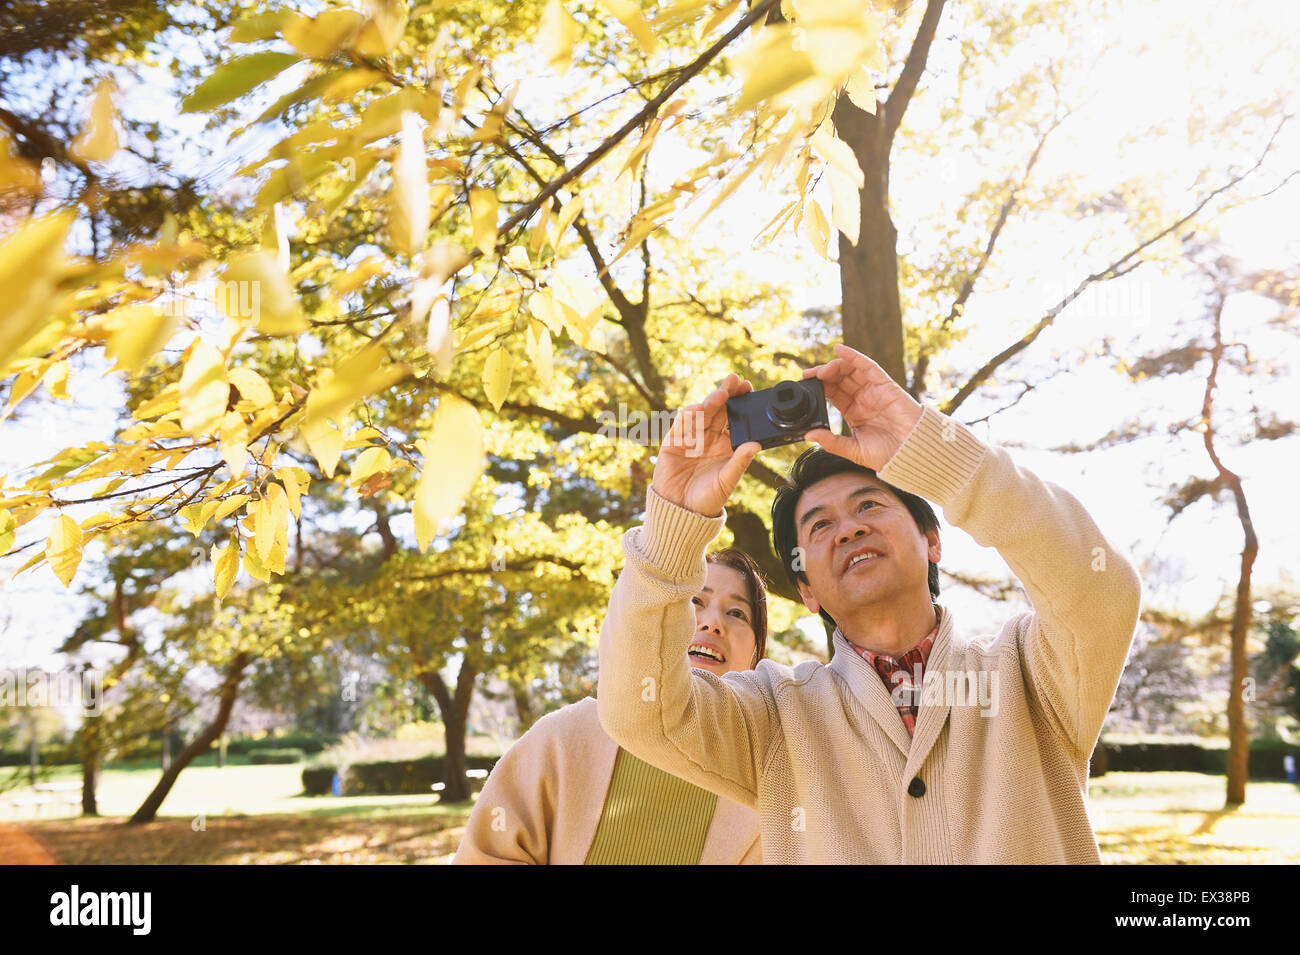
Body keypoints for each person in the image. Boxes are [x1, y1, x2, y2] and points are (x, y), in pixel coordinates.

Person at [598, 343, 1143, 864]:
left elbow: (1099, 587)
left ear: (932, 540)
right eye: (820, 526)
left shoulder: (1030, 673)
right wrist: (672, 524)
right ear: (805, 590)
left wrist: (933, 451)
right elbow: (642, 715)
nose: (849, 529)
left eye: (869, 505)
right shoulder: (772, 716)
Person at [452, 549, 768, 865]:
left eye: (737, 613)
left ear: (757, 653)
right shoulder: (564, 737)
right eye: (696, 601)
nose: (713, 623)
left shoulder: (770, 777)